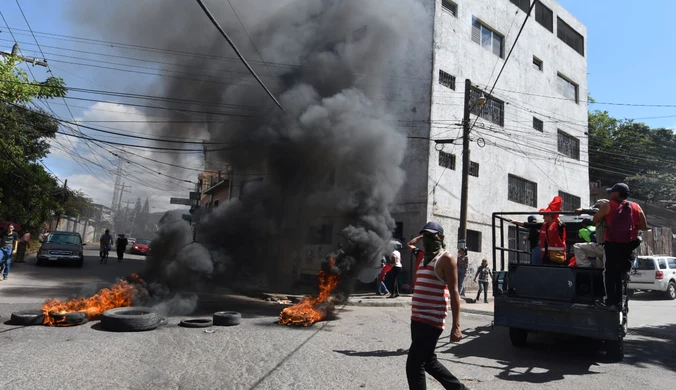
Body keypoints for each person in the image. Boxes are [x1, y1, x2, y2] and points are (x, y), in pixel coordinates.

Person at [407, 222, 469, 390]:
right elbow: (409, 245)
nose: (427, 239)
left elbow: (455, 293)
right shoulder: (422, 256)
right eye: (425, 236)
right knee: (429, 362)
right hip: (417, 319)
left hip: (431, 319)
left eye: (431, 236)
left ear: (441, 238)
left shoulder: (446, 258)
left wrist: (456, 326)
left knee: (414, 365)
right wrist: (419, 238)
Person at [591, 183, 647, 310]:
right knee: (623, 274)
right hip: (629, 245)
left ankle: (610, 301)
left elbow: (595, 220)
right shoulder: (636, 206)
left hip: (612, 244)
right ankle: (622, 302)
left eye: (612, 192)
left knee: (610, 273)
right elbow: (644, 226)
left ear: (616, 193)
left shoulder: (608, 205)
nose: (610, 194)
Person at [574, 199, 609, 268]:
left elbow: (594, 210)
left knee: (577, 246)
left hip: (604, 247)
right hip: (601, 246)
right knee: (602, 271)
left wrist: (583, 210)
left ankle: (586, 269)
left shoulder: (605, 213)